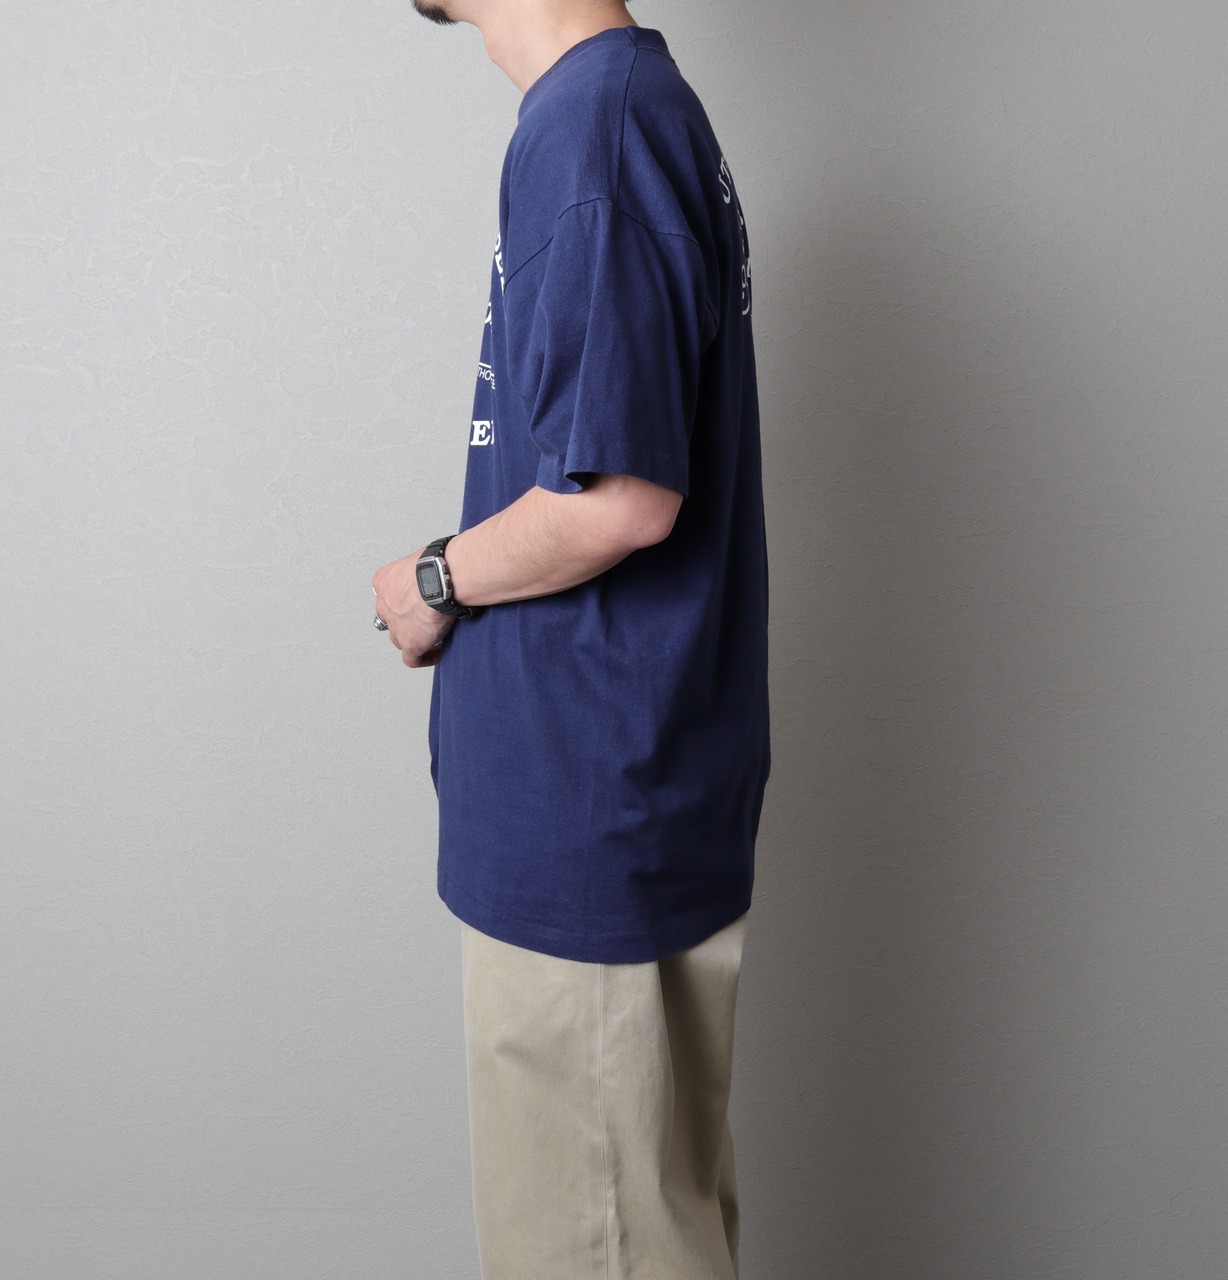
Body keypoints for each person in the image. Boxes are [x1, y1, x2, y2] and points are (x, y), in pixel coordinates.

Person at [371, 1, 770, 1275]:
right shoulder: (614, 113)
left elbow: (619, 500)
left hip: (587, 806)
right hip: (608, 794)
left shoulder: (596, 128)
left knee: (593, 1246)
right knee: (643, 1231)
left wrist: (434, 577)